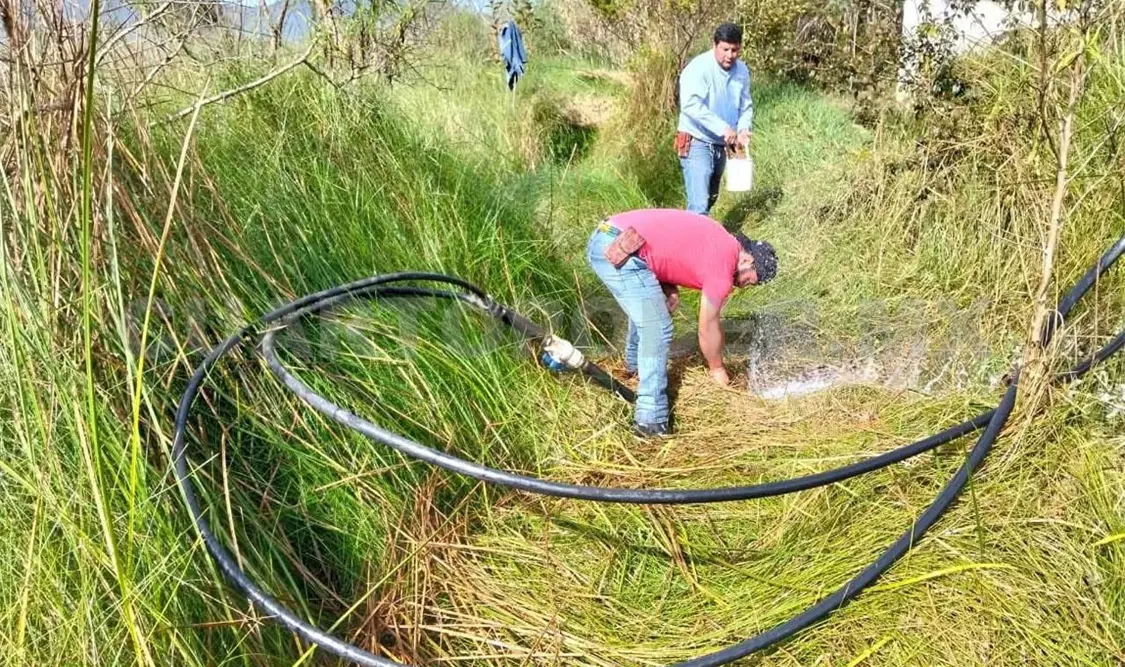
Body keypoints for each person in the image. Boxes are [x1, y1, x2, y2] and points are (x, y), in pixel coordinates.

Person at [586, 208, 778, 437]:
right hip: (620, 246)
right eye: (750, 279)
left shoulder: (720, 238)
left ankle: (634, 368)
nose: (744, 285)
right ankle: (650, 421)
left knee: (654, 312)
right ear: (748, 258)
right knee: (657, 327)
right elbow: (708, 326)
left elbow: (672, 245)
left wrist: (667, 286)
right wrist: (717, 370)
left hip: (609, 234)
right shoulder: (725, 262)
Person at [676, 22, 754, 215]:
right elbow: (690, 105)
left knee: (711, 198)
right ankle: (693, 245)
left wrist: (743, 128)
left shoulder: (742, 71)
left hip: (722, 145)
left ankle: (686, 233)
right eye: (725, 49)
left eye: (734, 50)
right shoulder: (698, 69)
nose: (730, 55)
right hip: (696, 141)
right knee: (699, 205)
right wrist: (723, 128)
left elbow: (746, 105)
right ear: (715, 45)